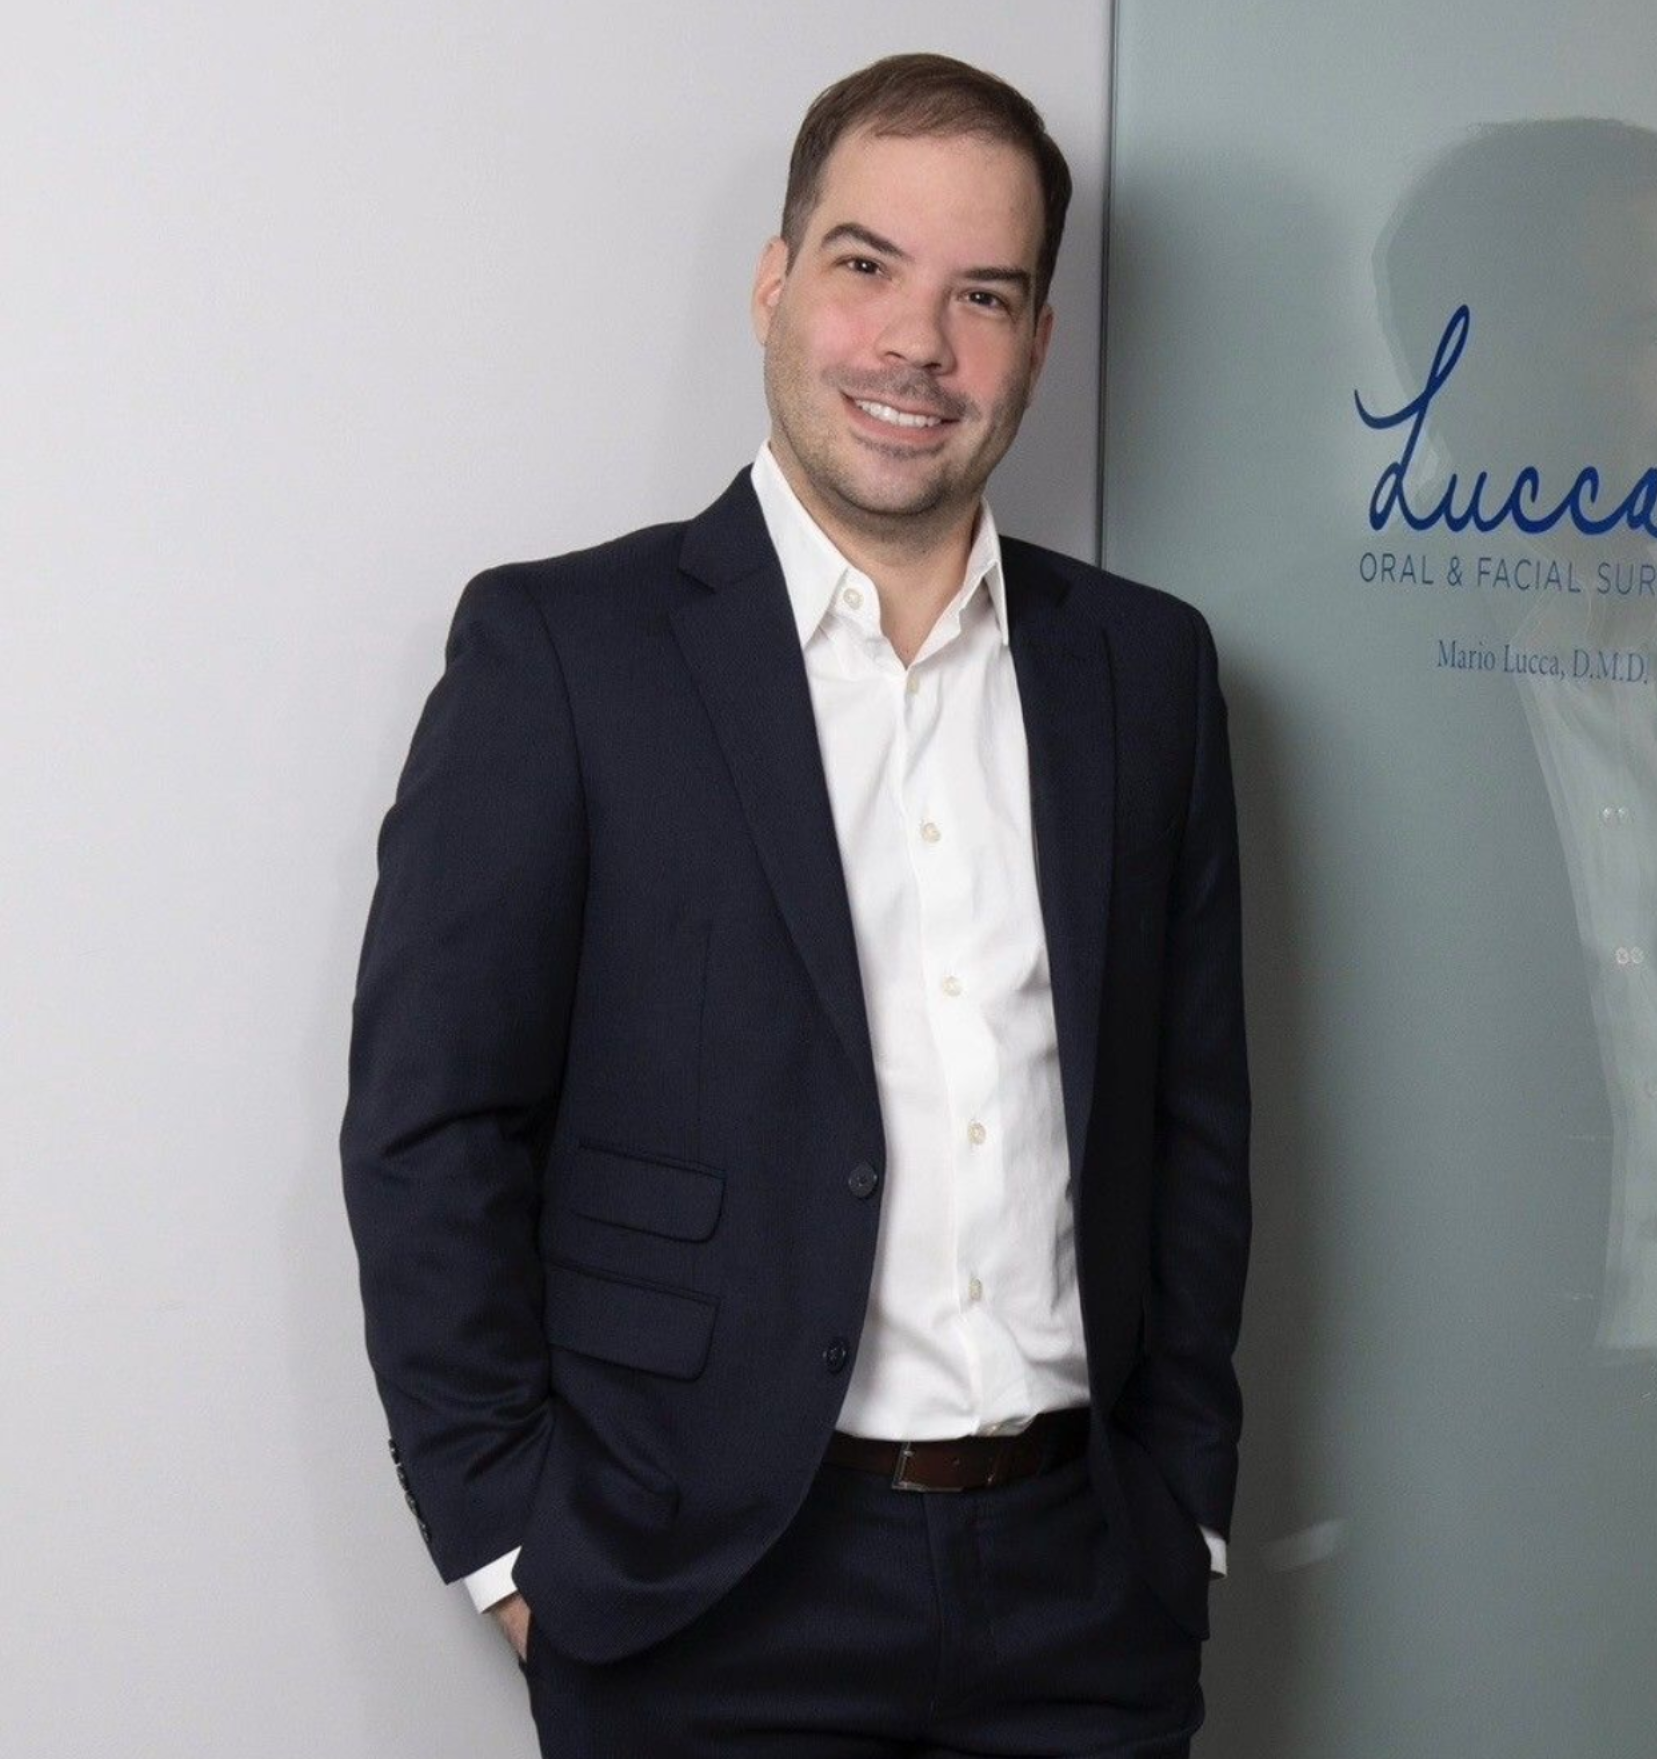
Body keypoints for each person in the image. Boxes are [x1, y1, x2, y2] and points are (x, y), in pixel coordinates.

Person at [341, 51, 1250, 1757]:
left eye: (983, 294)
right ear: (773, 285)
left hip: (1084, 1596)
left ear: (1040, 343)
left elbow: (1195, 1125)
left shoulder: (1146, 671)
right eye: (864, 266)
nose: (919, 343)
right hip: (704, 1594)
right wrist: (509, 1540)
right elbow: (430, 1121)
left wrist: (1179, 1504)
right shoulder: (565, 655)